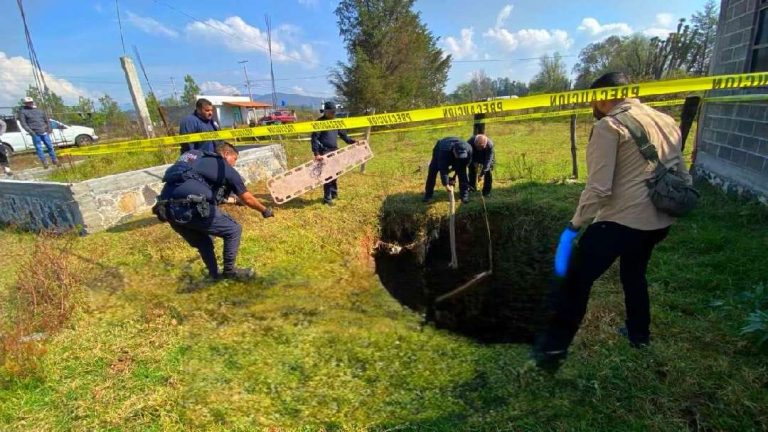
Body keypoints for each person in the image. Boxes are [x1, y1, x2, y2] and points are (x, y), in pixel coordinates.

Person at [532, 72, 692, 373]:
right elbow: (682, 172)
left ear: (604, 97)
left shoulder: (610, 126)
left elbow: (599, 188)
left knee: (576, 283)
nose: (592, 105)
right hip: (659, 222)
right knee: (634, 274)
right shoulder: (666, 120)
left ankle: (550, 354)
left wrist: (575, 225)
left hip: (621, 222)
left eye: (593, 98)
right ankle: (638, 335)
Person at [155, 142, 274, 280]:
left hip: (167, 210)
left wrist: (235, 201)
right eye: (234, 159)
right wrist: (264, 210)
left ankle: (213, 276)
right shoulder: (223, 167)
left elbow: (202, 192)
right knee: (233, 230)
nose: (234, 164)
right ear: (226, 154)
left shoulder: (195, 159)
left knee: (203, 242)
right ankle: (230, 272)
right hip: (191, 208)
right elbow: (247, 198)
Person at [311, 101, 357, 206]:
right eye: (331, 112)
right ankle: (327, 199)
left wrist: (353, 141)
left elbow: (344, 136)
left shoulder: (336, 122)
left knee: (335, 173)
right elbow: (314, 139)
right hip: (324, 152)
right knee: (327, 175)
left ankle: (334, 194)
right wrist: (316, 153)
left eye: (334, 112)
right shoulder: (319, 122)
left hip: (335, 151)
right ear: (325, 111)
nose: (333, 114)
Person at [423, 136, 473, 204]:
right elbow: (443, 169)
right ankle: (428, 195)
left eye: (462, 155)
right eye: (458, 155)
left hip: (454, 153)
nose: (460, 157)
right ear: (454, 151)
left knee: (462, 173)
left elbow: (466, 163)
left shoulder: (469, 149)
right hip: (440, 149)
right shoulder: (443, 152)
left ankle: (464, 195)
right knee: (433, 171)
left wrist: (454, 175)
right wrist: (446, 184)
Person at [18, 97, 59, 169]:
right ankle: (44, 162)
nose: (30, 103)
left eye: (31, 102)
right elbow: (23, 124)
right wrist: (31, 132)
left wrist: (49, 129)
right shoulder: (23, 112)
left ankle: (54, 160)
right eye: (28, 102)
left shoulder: (39, 111)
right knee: (39, 148)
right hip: (35, 133)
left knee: (50, 146)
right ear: (25, 103)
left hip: (45, 132)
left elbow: (47, 120)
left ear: (32, 102)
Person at [468, 133, 495, 198]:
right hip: (474, 155)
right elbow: (468, 155)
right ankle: (472, 187)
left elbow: (488, 160)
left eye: (482, 147)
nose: (479, 149)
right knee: (471, 169)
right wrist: (473, 162)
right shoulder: (469, 143)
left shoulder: (489, 145)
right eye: (478, 147)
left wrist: (483, 173)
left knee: (488, 172)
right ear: (475, 143)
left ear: (485, 145)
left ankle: (486, 192)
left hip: (485, 156)